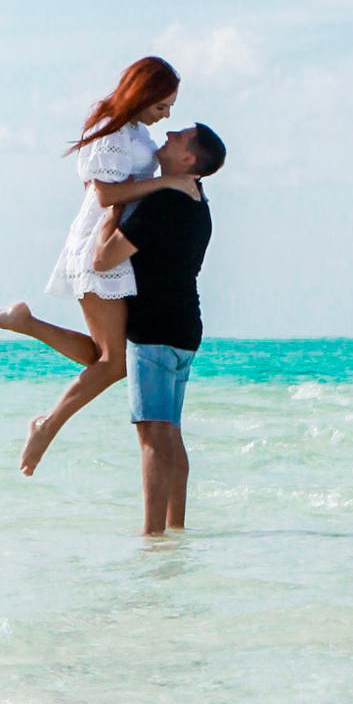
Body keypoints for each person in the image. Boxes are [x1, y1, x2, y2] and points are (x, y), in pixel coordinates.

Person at [0, 55, 181, 476]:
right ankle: (46, 426)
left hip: (116, 246)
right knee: (115, 362)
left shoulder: (134, 130)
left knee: (109, 358)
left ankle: (25, 322)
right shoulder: (112, 133)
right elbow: (105, 194)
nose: (166, 116)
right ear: (142, 95)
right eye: (161, 107)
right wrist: (167, 181)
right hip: (96, 248)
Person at [93, 124, 223, 537]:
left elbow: (102, 259)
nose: (167, 133)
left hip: (153, 330)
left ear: (189, 160)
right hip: (186, 328)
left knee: (152, 438)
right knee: (171, 434)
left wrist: (111, 213)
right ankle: (176, 530)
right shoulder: (199, 202)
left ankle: (151, 536)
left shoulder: (164, 201)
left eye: (178, 137)